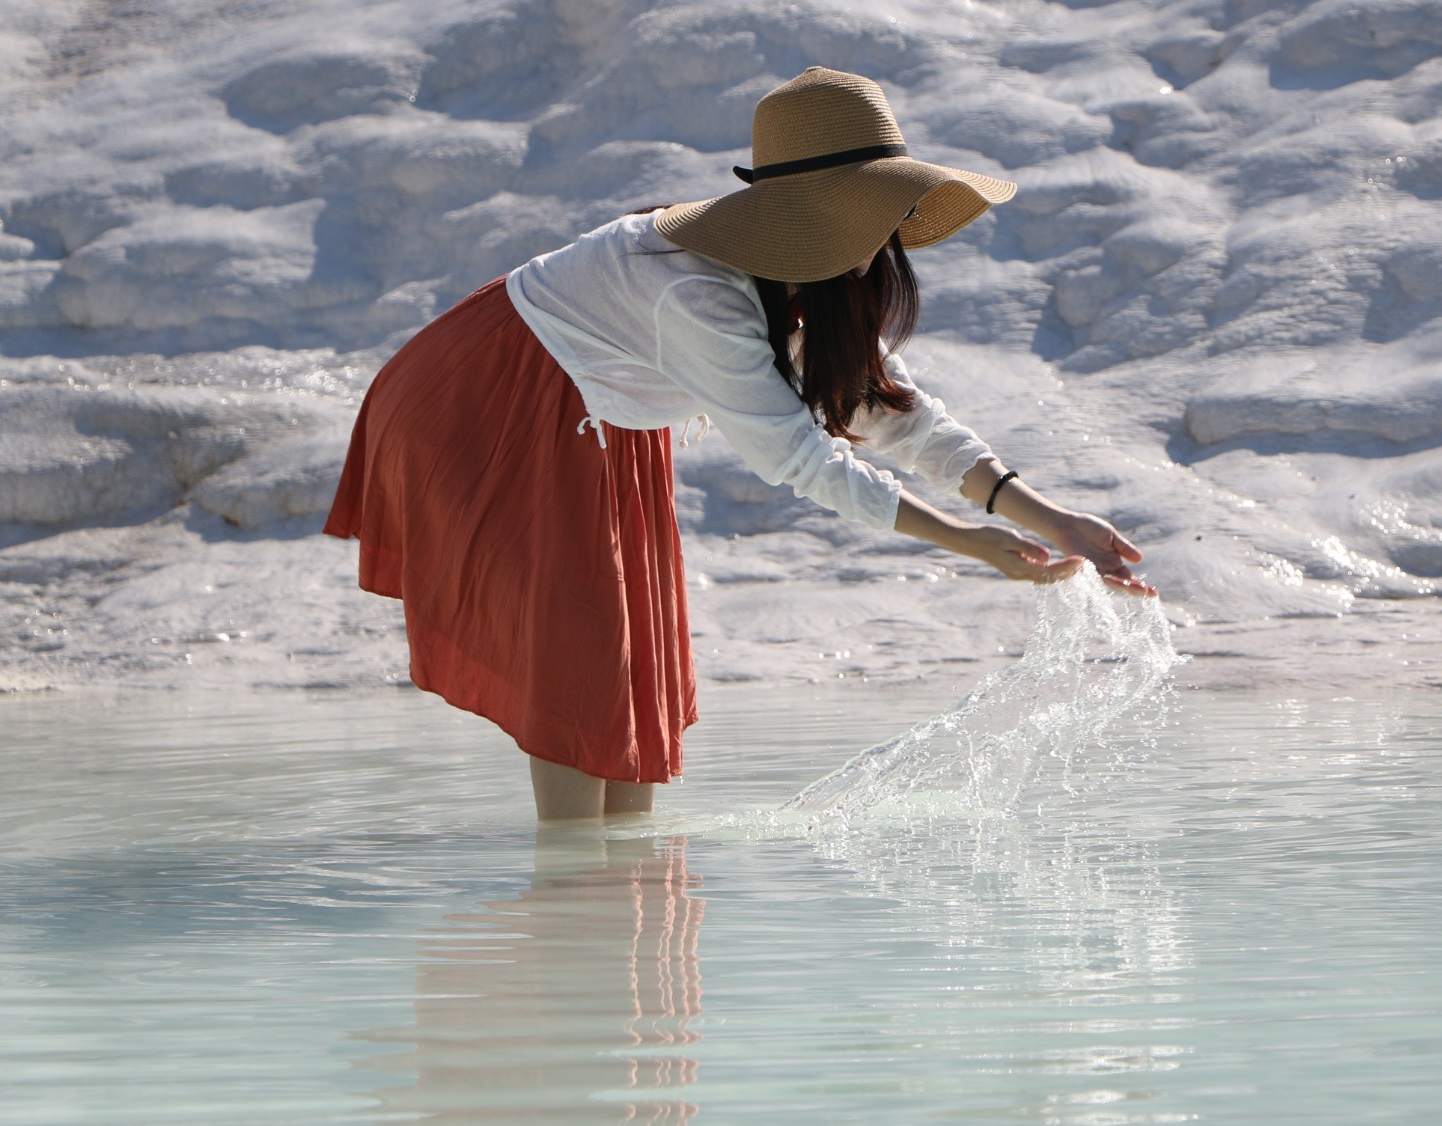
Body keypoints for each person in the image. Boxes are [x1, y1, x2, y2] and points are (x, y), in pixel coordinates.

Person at [324, 67, 1155, 822]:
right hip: (485, 406)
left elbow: (887, 411)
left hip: (600, 409)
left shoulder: (807, 273)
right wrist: (970, 541)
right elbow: (798, 457)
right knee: (579, 668)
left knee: (630, 678)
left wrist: (1051, 519)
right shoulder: (695, 290)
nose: (892, 227)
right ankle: (573, 897)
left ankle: (617, 917)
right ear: (817, 213)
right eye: (879, 205)